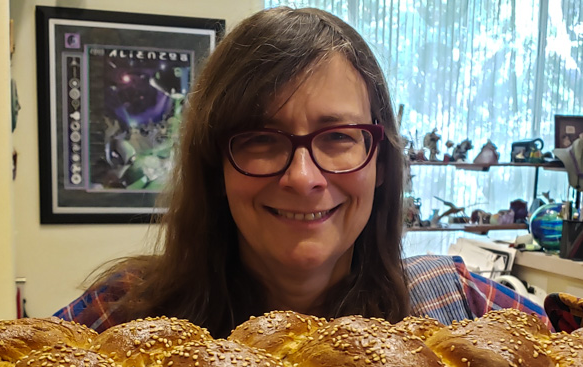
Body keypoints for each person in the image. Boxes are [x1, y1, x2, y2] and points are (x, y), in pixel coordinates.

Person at [55, 6, 547, 337]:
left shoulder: (464, 308)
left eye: (337, 138)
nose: (303, 177)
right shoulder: (123, 316)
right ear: (215, 168)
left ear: (379, 164)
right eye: (261, 141)